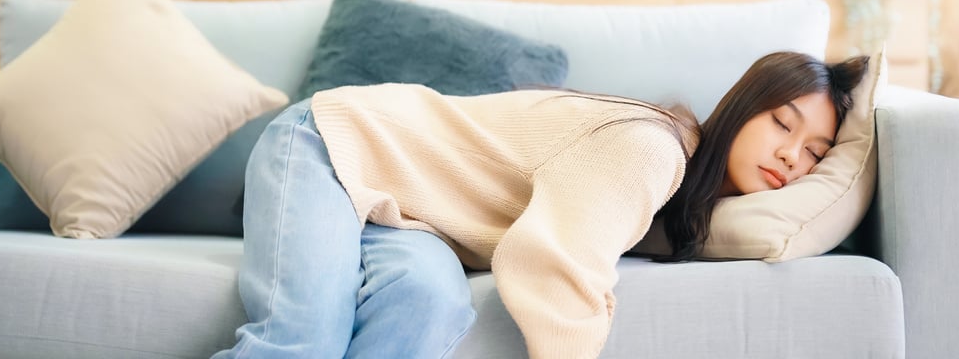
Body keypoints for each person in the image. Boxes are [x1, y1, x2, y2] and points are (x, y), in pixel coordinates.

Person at [213, 50, 868, 359]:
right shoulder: (655, 149)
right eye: (782, 124)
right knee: (300, 345)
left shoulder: (688, 204)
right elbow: (551, 263)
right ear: (742, 108)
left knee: (429, 305)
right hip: (333, 144)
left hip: (406, 215)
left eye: (816, 152)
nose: (793, 158)